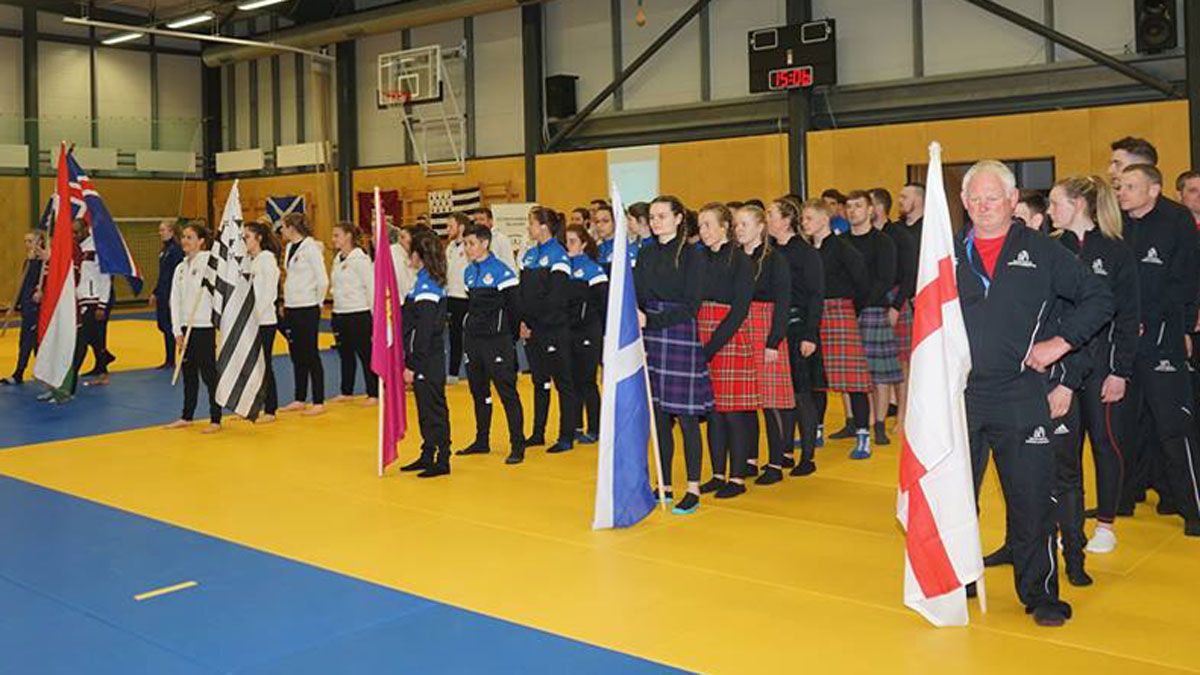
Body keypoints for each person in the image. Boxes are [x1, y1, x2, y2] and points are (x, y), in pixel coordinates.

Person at [957, 160, 1112, 626]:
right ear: (965, 203)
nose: (984, 207)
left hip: (1019, 394)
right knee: (954, 495)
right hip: (959, 395)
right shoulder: (946, 255)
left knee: (1030, 498)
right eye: (975, 199)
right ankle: (956, 577)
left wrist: (1060, 345)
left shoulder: (1042, 252)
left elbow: (1100, 299)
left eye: (993, 198)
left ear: (1012, 201)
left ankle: (1040, 592)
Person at [1048, 175, 1141, 563]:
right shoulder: (1051, 249)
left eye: (1055, 203)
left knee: (1105, 443)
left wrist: (1120, 371)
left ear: (1079, 205)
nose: (1050, 210)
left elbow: (1128, 317)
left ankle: (1106, 523)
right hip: (1062, 366)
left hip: (1102, 366)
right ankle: (1069, 526)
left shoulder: (1116, 252)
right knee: (1064, 449)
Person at [1116, 163, 1200, 536]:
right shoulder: (1117, 222)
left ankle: (1193, 508)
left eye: (1130, 187)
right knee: (1124, 423)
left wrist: (1181, 327)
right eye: (1120, 187)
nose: (1122, 193)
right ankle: (1122, 498)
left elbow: (1186, 279)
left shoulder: (1176, 221)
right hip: (1125, 339)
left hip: (1163, 335)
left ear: (1153, 190)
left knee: (1173, 426)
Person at [635, 195, 714, 515]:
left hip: (678, 333)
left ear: (679, 218)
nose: (656, 222)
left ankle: (693, 487)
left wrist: (652, 320)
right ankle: (664, 483)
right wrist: (639, 317)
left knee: (687, 417)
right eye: (652, 217)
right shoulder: (646, 252)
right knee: (658, 416)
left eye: (662, 216)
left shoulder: (693, 255)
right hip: (649, 336)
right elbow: (637, 293)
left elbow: (692, 305)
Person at [800, 200, 872, 457]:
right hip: (814, 315)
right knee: (816, 379)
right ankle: (816, 430)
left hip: (839, 312)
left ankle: (863, 435)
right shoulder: (808, 252)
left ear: (823, 220)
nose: (804, 223)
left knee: (854, 381)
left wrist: (850, 309)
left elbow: (862, 283)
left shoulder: (843, 248)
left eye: (808, 218)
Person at [695, 203, 755, 499]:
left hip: (728, 336)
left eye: (708, 225)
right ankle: (718, 473)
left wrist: (713, 345)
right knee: (713, 411)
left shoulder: (741, 260)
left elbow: (740, 309)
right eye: (700, 225)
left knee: (733, 413)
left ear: (724, 227)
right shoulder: (698, 258)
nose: (702, 231)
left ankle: (738, 476)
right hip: (702, 333)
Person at [733, 205, 795, 484]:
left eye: (744, 224)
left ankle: (775, 461)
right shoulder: (734, 259)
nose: (739, 229)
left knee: (771, 400)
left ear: (760, 227)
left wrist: (774, 339)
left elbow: (783, 302)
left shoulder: (774, 259)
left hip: (766, 327)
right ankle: (749, 458)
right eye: (736, 225)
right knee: (746, 398)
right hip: (740, 327)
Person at [457, 224, 526, 464]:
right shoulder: (468, 272)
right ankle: (481, 440)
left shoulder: (502, 272)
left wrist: (509, 336)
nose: (467, 248)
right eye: (465, 244)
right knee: (479, 391)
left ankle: (517, 444)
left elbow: (515, 307)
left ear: (485, 244)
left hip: (497, 341)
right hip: (474, 341)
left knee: (506, 392)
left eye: (471, 243)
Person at [768, 197, 825, 476]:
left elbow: (816, 295)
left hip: (799, 327)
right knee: (781, 395)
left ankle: (808, 456)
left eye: (771, 214)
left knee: (802, 394)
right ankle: (785, 451)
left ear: (786, 220)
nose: (767, 218)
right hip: (774, 327)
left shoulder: (805, 252)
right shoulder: (769, 251)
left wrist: (810, 334)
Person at [518, 207, 579, 454]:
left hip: (554, 330)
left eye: (531, 223)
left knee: (563, 383)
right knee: (539, 381)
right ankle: (537, 432)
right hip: (533, 330)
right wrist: (523, 322)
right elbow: (523, 294)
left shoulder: (559, 256)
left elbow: (556, 298)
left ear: (544, 226)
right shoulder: (530, 256)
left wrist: (538, 324)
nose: (528, 228)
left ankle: (566, 435)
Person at [845, 190, 900, 450]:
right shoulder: (842, 242)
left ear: (870, 211)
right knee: (852, 373)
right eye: (849, 206)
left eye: (858, 206)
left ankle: (879, 424)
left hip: (874, 309)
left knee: (878, 374)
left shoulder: (883, 241)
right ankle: (858, 423)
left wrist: (862, 304)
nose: (852, 211)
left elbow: (885, 279)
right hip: (847, 311)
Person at [400, 230, 452, 478]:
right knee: (424, 407)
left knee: (434, 408)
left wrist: (413, 365)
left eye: (410, 252)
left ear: (419, 256)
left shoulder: (429, 286)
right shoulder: (420, 281)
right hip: (422, 357)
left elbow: (424, 331)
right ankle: (427, 451)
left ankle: (442, 458)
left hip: (428, 359)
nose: (407, 256)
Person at [164, 223, 222, 433]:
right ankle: (186, 416)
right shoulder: (180, 268)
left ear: (201, 241)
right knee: (188, 373)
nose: (185, 241)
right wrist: (177, 331)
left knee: (208, 374)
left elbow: (220, 291)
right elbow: (175, 300)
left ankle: (216, 419)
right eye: (184, 237)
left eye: (190, 237)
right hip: (186, 327)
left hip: (203, 326)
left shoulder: (208, 262)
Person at [870, 188, 916, 426]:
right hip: (872, 301)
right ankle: (873, 414)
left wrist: (897, 306)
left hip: (897, 297)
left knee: (901, 361)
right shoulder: (864, 237)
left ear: (878, 208)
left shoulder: (899, 235)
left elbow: (909, 274)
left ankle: (902, 414)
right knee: (873, 361)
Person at [279, 213, 328, 416]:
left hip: (308, 307)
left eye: (283, 227)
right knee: (296, 353)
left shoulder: (311, 248)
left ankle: (318, 400)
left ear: (292, 228)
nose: (281, 230)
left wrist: (317, 303)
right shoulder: (290, 247)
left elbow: (322, 280)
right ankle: (300, 398)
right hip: (292, 306)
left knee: (310, 353)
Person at [563, 223, 607, 445]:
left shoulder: (593, 270)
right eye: (566, 241)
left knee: (587, 381)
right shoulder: (562, 268)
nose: (568, 245)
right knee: (571, 380)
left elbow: (602, 304)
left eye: (572, 241)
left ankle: (595, 427)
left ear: (584, 244)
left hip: (589, 331)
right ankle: (575, 425)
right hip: (568, 332)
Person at [329, 220, 378, 404]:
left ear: (348, 236)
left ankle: (374, 392)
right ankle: (346, 391)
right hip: (340, 311)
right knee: (345, 353)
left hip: (359, 312)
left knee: (365, 354)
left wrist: (374, 316)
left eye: (337, 235)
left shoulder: (361, 259)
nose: (333, 239)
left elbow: (371, 288)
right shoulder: (338, 259)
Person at [243, 221, 280, 423]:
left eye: (247, 237)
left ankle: (270, 409)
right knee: (251, 365)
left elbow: (269, 292)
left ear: (258, 238)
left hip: (264, 320)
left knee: (264, 364)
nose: (244, 241)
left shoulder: (267, 259)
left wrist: (256, 315)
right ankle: (252, 406)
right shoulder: (250, 261)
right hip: (249, 321)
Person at [2, 232, 45, 386]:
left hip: (36, 309)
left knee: (30, 342)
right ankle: (34, 372)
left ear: (39, 242)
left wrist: (42, 291)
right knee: (27, 341)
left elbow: (49, 284)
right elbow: (23, 285)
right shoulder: (28, 262)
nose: (27, 244)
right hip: (27, 308)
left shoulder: (44, 263)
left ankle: (21, 373)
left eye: (30, 241)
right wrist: (14, 306)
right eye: (25, 241)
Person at [73, 222, 113, 388]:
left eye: (77, 232)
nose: (74, 235)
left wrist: (102, 304)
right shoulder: (80, 249)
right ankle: (103, 368)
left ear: (85, 230)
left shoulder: (96, 249)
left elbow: (105, 277)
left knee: (82, 339)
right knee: (94, 339)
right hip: (84, 299)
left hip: (94, 300)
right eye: (72, 233)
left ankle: (71, 378)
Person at [149, 219, 183, 370]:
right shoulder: (164, 250)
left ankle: (172, 359)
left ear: (171, 231)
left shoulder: (175, 250)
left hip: (170, 293)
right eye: (160, 230)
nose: (160, 233)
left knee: (170, 326)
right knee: (163, 325)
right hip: (163, 293)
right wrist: (155, 292)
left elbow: (175, 275)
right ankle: (169, 358)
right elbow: (163, 274)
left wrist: (173, 296)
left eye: (163, 230)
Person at [444, 212, 471, 384]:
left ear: (461, 227)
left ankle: (477, 370)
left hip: (466, 297)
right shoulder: (450, 248)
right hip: (452, 297)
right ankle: (453, 372)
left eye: (450, 226)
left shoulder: (469, 247)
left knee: (471, 337)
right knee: (454, 337)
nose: (447, 229)